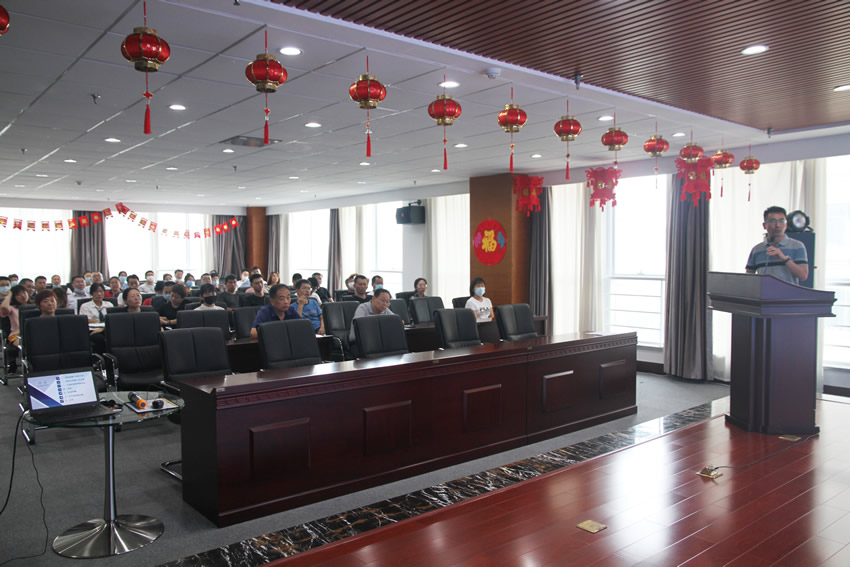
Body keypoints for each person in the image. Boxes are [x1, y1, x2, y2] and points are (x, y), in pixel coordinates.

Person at [745, 205, 809, 286]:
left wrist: (784, 259)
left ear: (786, 224)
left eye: (782, 221)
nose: (778, 225)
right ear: (764, 225)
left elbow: (803, 276)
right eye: (773, 221)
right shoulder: (756, 250)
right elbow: (748, 278)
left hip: (788, 294)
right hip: (764, 293)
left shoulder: (797, 246)